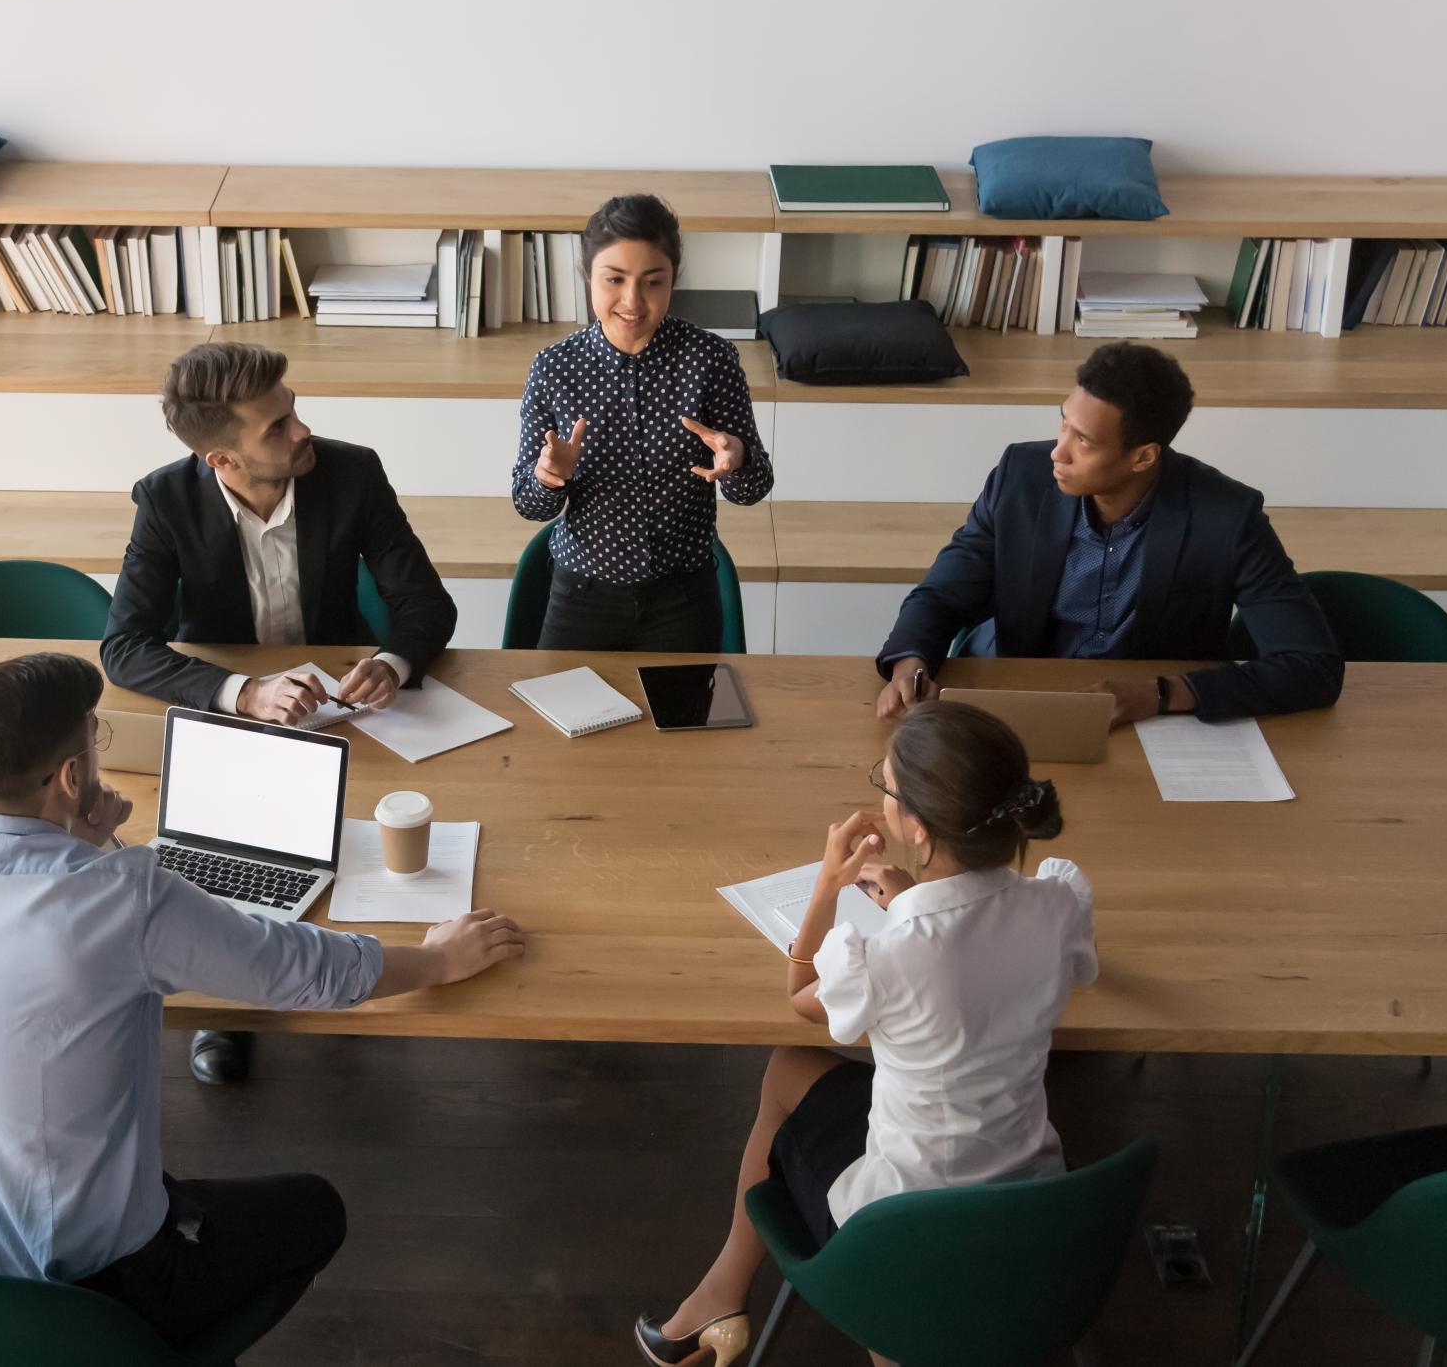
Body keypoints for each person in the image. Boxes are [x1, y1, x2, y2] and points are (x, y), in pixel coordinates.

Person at [0, 652, 525, 1350]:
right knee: (315, 1210)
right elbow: (299, 969)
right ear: (72, 775)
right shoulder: (121, 900)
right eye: (95, 736)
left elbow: (50, 916)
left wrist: (83, 842)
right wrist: (436, 960)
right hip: (93, 1294)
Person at [633, 702, 1093, 1367]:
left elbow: (799, 997)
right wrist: (916, 894)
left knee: (790, 1066)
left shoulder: (892, 954)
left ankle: (729, 1303)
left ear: (916, 826)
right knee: (803, 1070)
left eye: (888, 789)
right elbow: (1052, 951)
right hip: (1031, 1209)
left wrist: (827, 883)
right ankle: (719, 1298)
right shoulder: (1057, 904)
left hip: (903, 1233)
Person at [103, 341, 460, 1082]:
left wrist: (391, 664)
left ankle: (361, 980)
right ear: (221, 459)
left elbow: (426, 604)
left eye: (293, 411)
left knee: (365, 854)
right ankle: (229, 1010)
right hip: (234, 728)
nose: (301, 432)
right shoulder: (166, 500)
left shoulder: (351, 471)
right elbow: (125, 646)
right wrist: (242, 692)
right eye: (276, 428)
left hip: (346, 712)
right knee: (241, 865)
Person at [874, 341, 1343, 727]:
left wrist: (1162, 694)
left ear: (1143, 457)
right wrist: (910, 660)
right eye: (1064, 422)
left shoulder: (1227, 516)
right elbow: (942, 593)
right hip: (1017, 698)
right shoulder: (1020, 476)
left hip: (1148, 725)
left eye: (1084, 441)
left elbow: (1312, 667)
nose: (1058, 452)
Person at [511, 193, 773, 651]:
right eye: (614, 279)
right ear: (588, 276)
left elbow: (752, 490)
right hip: (582, 596)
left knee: (684, 721)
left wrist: (737, 457)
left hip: (684, 597)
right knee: (564, 719)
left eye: (653, 282)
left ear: (673, 280)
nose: (632, 301)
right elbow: (530, 505)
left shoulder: (711, 359)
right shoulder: (554, 367)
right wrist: (549, 478)